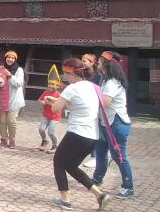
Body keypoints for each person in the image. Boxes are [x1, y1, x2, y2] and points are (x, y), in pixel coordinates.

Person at [44, 58, 110, 211]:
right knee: (71, 166)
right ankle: (99, 195)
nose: (64, 76)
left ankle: (65, 200)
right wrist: (58, 99)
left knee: (58, 163)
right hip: (92, 136)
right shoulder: (93, 87)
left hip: (77, 134)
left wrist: (52, 101)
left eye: (65, 73)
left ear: (72, 73)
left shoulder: (71, 88)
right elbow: (78, 104)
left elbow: (55, 109)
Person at [92, 51, 135, 199]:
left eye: (100, 61)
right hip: (105, 122)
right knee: (101, 151)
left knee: (119, 155)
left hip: (116, 124)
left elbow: (104, 102)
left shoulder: (113, 82)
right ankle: (97, 178)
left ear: (106, 64)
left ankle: (128, 187)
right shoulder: (104, 80)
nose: (98, 63)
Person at [0, 51, 25, 149]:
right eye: (9, 57)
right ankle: (3, 140)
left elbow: (19, 83)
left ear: (15, 60)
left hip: (14, 100)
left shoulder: (19, 70)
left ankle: (12, 141)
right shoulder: (0, 68)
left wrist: (10, 76)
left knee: (11, 121)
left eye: (13, 58)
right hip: (2, 99)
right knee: (2, 121)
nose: (10, 59)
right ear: (5, 58)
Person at [81, 53, 101, 168]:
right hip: (84, 104)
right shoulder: (82, 73)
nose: (83, 63)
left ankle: (95, 156)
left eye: (85, 61)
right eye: (82, 60)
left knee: (94, 129)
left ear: (92, 63)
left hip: (94, 105)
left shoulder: (97, 76)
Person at [37, 64, 62, 154]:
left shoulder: (59, 95)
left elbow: (60, 104)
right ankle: (44, 140)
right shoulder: (45, 92)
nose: (51, 86)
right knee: (41, 129)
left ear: (57, 86)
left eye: (53, 84)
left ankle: (55, 146)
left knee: (51, 132)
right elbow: (39, 100)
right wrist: (42, 102)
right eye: (49, 84)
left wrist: (51, 103)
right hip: (46, 115)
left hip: (55, 117)